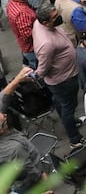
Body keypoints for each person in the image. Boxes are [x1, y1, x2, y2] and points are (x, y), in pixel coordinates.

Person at [33, 2, 86, 149]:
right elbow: (43, 68)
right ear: (45, 22)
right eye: (54, 17)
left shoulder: (39, 24)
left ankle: (68, 121)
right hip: (63, 80)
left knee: (61, 102)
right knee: (69, 106)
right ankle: (75, 139)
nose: (59, 18)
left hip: (63, 77)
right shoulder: (46, 44)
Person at [0, 66, 52, 194]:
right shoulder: (13, 149)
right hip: (28, 182)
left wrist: (18, 79)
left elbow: (3, 98)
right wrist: (44, 179)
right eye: (3, 120)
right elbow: (30, 170)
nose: (5, 115)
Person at [6, 0, 38, 69]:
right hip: (32, 49)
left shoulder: (11, 3)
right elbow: (27, 35)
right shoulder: (22, 12)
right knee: (39, 71)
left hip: (24, 46)